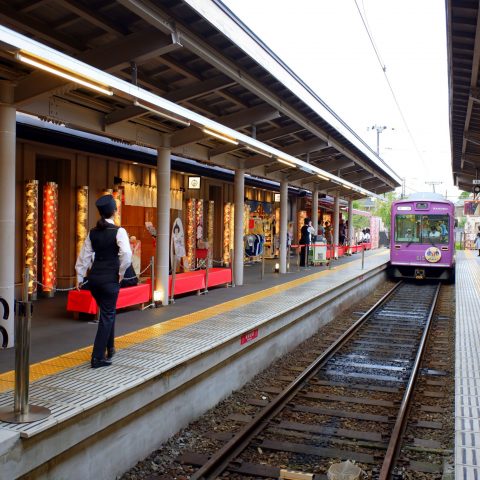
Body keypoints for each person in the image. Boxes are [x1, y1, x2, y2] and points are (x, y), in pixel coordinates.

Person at [75, 194, 132, 368]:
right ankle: (97, 357)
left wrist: (79, 276)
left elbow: (84, 256)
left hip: (94, 281)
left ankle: (111, 347)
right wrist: (121, 272)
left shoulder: (93, 232)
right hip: (110, 280)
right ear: (114, 211)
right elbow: (127, 255)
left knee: (108, 312)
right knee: (107, 316)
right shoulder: (119, 231)